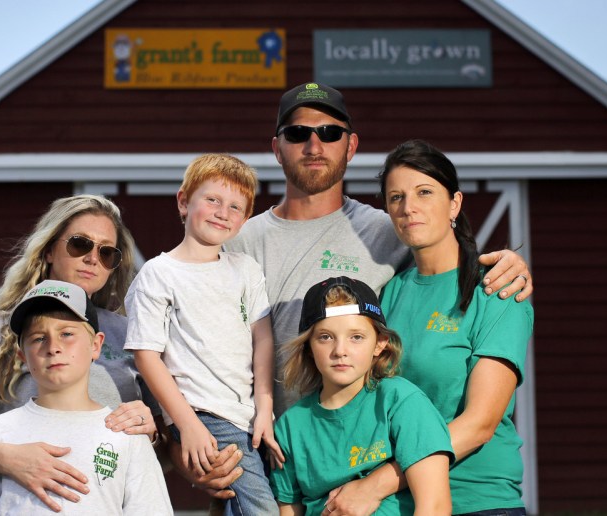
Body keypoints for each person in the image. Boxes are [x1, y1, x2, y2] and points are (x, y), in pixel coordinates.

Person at [176, 82, 534, 505]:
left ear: (351, 146)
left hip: (383, 480)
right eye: (297, 133)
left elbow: (444, 253)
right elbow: (182, 348)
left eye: (330, 133)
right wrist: (186, 448)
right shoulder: (235, 241)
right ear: (277, 147)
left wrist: (508, 262)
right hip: (270, 466)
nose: (314, 144)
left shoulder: (388, 232)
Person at [0, 194, 158, 513]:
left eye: (107, 252)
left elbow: (165, 449)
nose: (93, 258)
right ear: (49, 248)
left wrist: (154, 433)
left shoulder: (133, 334)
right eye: (80, 244)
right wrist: (10, 459)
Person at [377, 139, 533, 515]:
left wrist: (375, 483)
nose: (408, 207)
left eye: (424, 192)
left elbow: (479, 424)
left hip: (475, 498)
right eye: (396, 197)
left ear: (455, 204)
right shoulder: (388, 293)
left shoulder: (495, 290)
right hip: (398, 503)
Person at [124, 153, 284, 515]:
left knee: (236, 504)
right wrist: (187, 424)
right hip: (204, 413)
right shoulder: (159, 274)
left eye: (235, 207)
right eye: (212, 199)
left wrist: (265, 406)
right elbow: (146, 355)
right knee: (260, 508)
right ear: (184, 201)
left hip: (247, 413)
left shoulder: (245, 269)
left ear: (244, 219)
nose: (222, 212)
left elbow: (263, 339)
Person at [0, 280, 173, 515]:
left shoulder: (127, 433)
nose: (53, 347)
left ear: (96, 345)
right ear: (23, 356)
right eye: (39, 338)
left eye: (67, 334)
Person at [270, 277, 454, 515]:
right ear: (309, 347)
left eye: (356, 337)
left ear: (379, 344)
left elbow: (434, 506)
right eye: (325, 337)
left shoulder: (402, 401)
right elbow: (289, 509)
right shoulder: (290, 426)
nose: (340, 351)